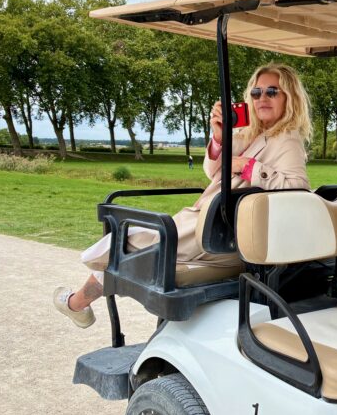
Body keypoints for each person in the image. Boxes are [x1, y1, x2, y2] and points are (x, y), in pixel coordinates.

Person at [54, 63, 312, 327]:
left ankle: (75, 303)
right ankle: (77, 304)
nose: (262, 99)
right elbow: (213, 171)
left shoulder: (286, 140)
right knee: (135, 246)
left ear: (289, 97)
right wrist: (219, 137)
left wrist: (247, 167)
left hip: (221, 231)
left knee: (129, 242)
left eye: (272, 91)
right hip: (213, 223)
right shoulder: (253, 135)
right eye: (256, 93)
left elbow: (298, 191)